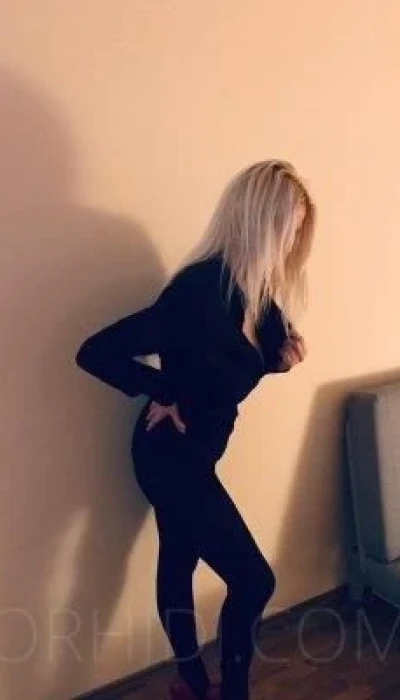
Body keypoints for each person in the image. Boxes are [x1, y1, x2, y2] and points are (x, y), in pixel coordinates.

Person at [75, 159, 315, 700]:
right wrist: (162, 389)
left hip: (202, 451)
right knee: (254, 579)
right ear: (256, 221)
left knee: (178, 556)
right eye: (287, 228)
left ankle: (190, 682)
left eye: (298, 231)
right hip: (167, 456)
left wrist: (278, 363)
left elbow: (233, 371)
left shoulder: (259, 300)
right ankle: (230, 693)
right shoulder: (198, 292)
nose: (291, 243)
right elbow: (94, 351)